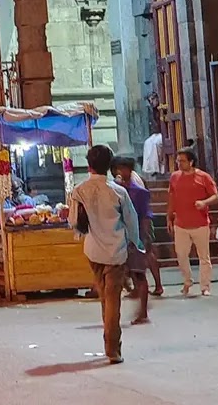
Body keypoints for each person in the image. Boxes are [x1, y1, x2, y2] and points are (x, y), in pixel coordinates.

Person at [69, 144, 142, 364]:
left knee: (105, 297)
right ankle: (112, 348)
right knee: (112, 300)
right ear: (110, 166)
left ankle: (109, 341)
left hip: (93, 251)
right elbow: (131, 221)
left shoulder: (79, 191)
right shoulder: (118, 192)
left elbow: (73, 221)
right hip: (116, 252)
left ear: (89, 165)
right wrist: (135, 243)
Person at [112, 154, 162, 305]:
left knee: (140, 268)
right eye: (117, 169)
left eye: (123, 168)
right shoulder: (114, 190)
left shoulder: (139, 191)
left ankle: (148, 299)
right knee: (126, 268)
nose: (120, 172)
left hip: (138, 231)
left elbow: (145, 214)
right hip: (120, 233)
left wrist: (145, 236)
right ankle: (134, 290)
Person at [167, 148, 217, 297]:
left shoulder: (203, 177)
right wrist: (169, 217)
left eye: (182, 161)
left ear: (191, 161)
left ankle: (205, 286)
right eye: (178, 161)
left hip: (200, 223)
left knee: (204, 257)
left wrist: (204, 202)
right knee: (181, 254)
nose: (179, 164)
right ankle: (187, 281)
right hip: (181, 223)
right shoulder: (174, 177)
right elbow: (171, 198)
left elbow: (215, 196)